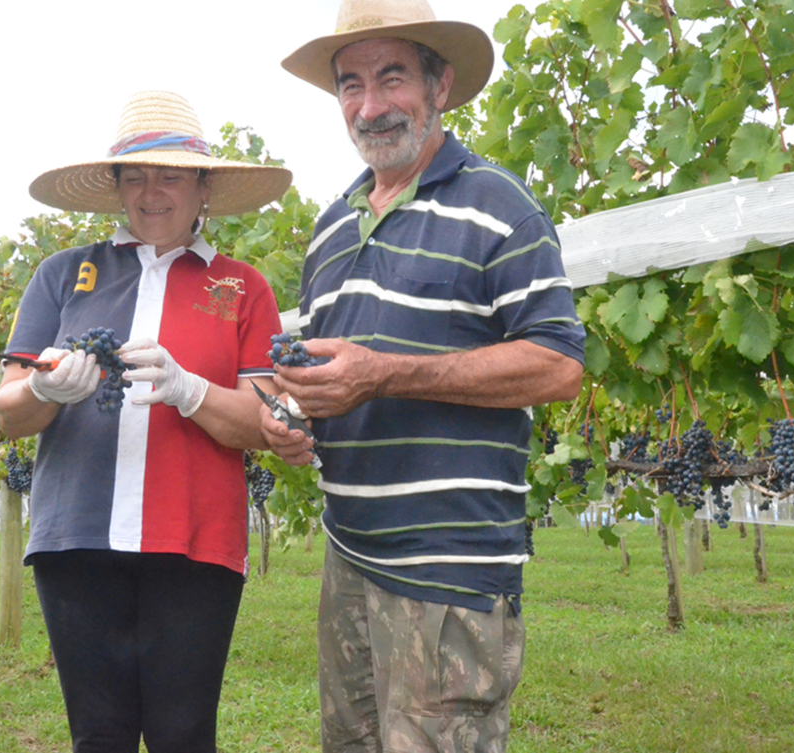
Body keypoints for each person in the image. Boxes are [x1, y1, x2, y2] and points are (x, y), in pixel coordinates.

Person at [264, 2, 586, 751]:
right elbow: (332, 371)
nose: (370, 106)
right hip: (348, 556)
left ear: (440, 85)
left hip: (447, 577)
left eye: (392, 77)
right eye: (351, 84)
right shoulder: (332, 228)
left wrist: (382, 375)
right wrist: (295, 410)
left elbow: (559, 364)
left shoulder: (500, 206)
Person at [0, 90, 292, 753]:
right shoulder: (64, 275)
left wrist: (190, 391)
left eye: (170, 174)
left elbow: (260, 420)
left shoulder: (242, 288)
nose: (151, 191)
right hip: (77, 540)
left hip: (196, 542)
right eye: (136, 175)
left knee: (183, 735)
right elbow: (8, 409)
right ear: (116, 187)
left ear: (202, 185)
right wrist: (47, 386)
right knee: (97, 735)